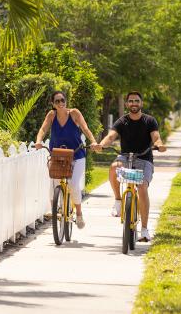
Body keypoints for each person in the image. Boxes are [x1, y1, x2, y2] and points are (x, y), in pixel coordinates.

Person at [95, 91, 167, 241]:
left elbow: (156, 137)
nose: (134, 103)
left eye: (137, 101)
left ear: (141, 103)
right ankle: (118, 200)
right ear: (127, 104)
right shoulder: (122, 121)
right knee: (114, 166)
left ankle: (145, 229)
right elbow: (110, 136)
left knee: (142, 188)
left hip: (144, 159)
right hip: (125, 157)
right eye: (131, 101)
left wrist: (159, 145)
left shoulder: (150, 121)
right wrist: (101, 145)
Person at [35, 91, 98, 229]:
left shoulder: (74, 113)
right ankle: (57, 212)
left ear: (66, 101)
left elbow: (85, 128)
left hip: (76, 155)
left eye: (62, 100)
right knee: (55, 185)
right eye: (57, 101)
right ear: (53, 104)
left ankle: (79, 214)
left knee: (74, 185)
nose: (60, 103)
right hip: (58, 155)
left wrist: (93, 141)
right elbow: (43, 129)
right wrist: (39, 141)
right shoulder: (51, 115)